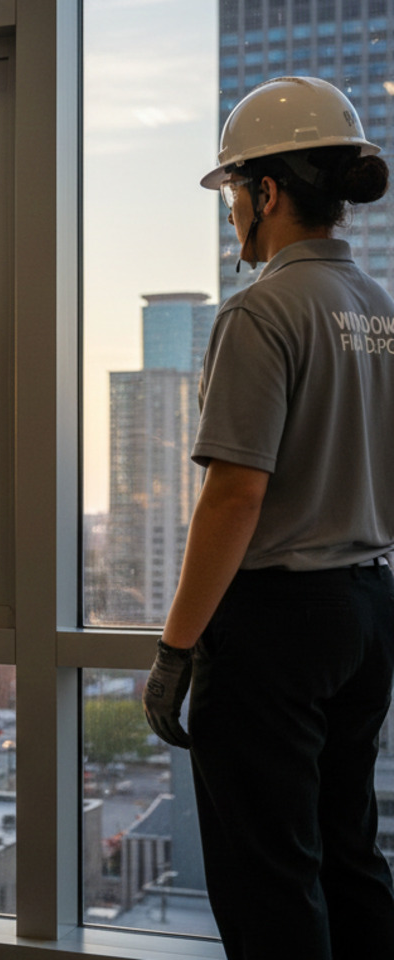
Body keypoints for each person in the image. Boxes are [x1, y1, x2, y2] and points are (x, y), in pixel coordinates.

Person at [142, 76, 394, 960]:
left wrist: (177, 648)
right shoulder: (381, 310)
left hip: (278, 625)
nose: (232, 218)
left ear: (268, 193)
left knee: (268, 877)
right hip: (366, 611)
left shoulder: (261, 311)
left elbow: (235, 496)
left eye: (235, 197)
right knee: (349, 854)